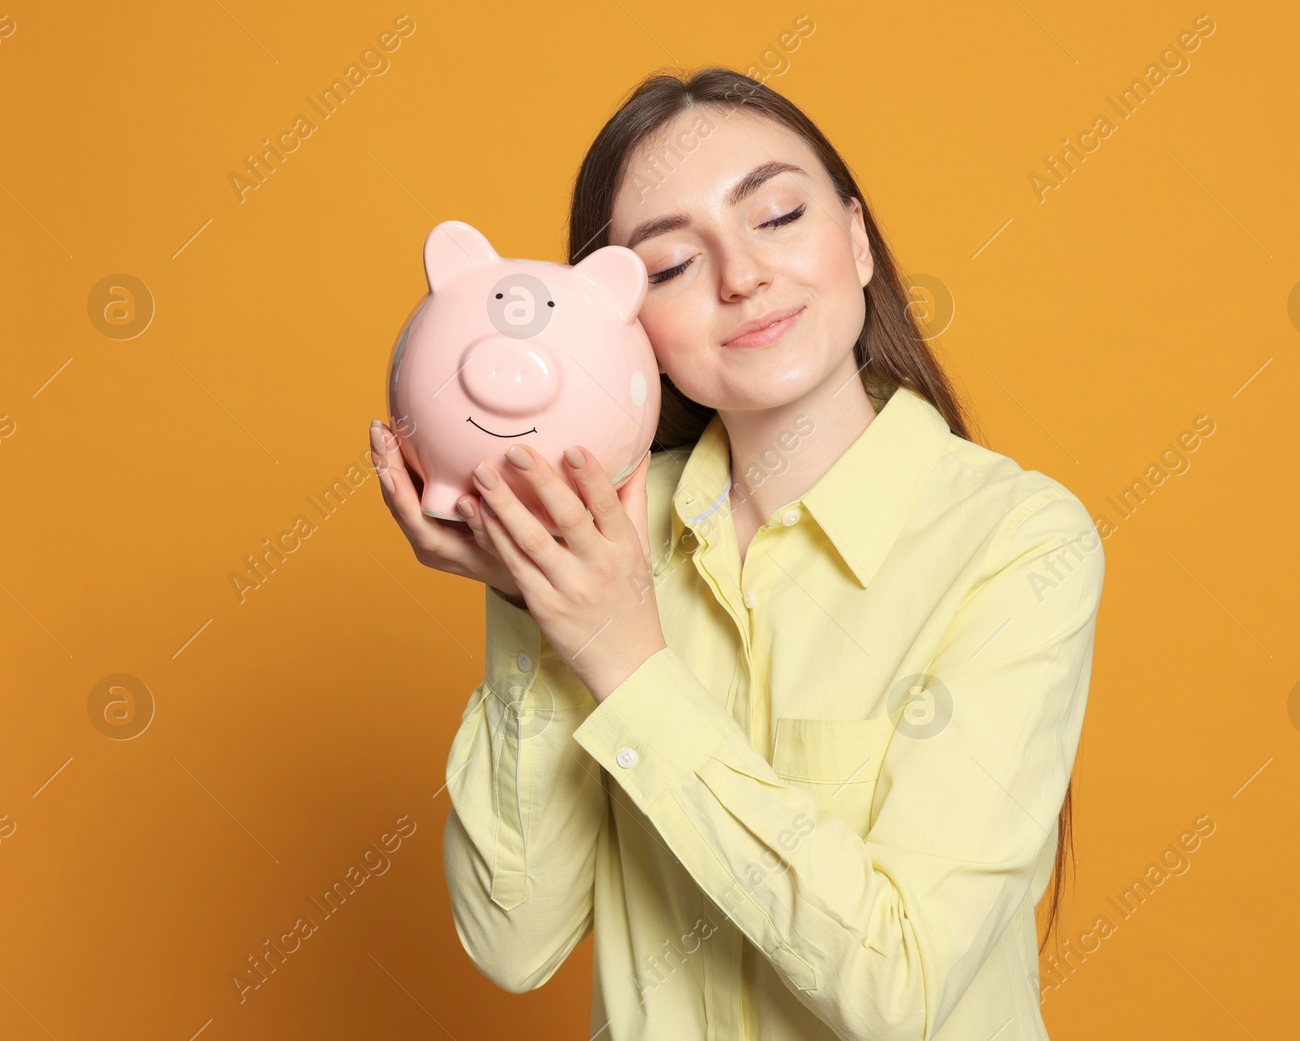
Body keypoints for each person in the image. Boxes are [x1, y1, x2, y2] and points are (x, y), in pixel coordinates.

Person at [368, 66, 1106, 1041]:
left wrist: (626, 660)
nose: (741, 275)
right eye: (671, 264)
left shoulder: (1015, 542)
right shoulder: (605, 553)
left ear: (854, 237)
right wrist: (531, 597)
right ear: (626, 331)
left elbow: (904, 989)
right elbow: (512, 941)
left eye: (776, 215)